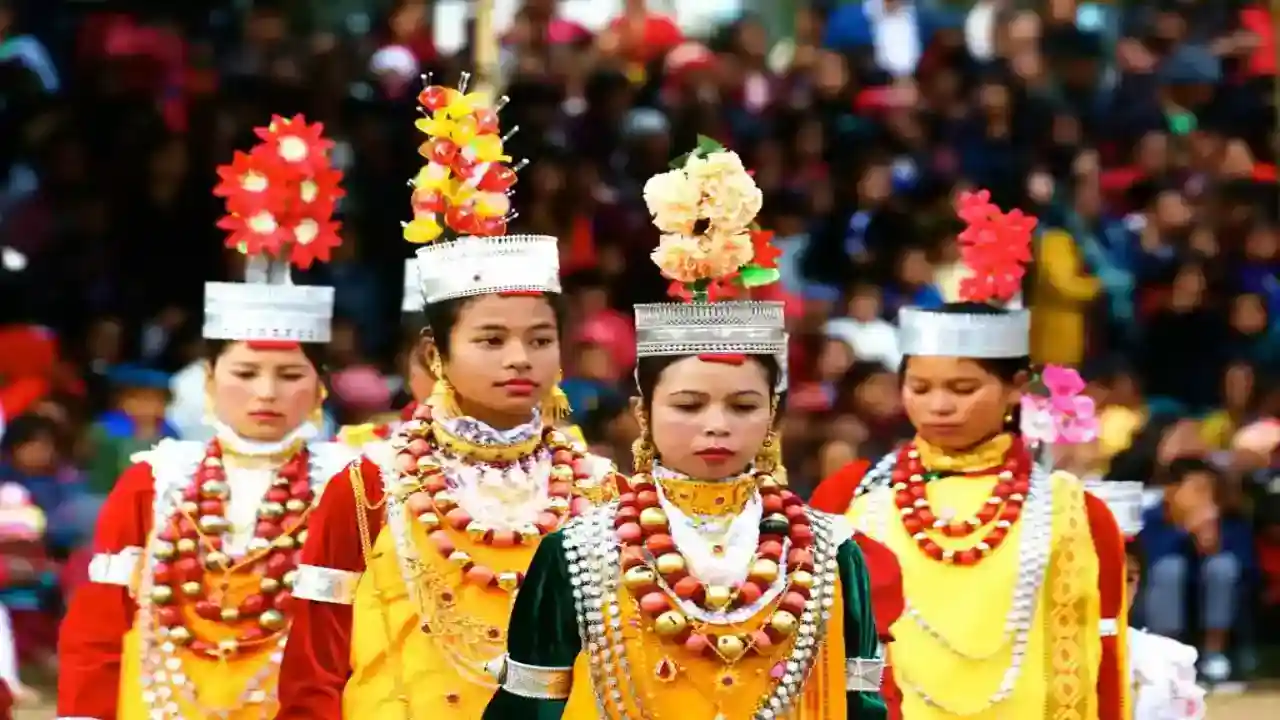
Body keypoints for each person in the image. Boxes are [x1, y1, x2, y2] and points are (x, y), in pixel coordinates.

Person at [483, 142, 890, 718]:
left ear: (773, 416)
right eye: (689, 405)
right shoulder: (576, 553)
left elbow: (863, 706)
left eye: (743, 406)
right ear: (642, 412)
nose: (716, 426)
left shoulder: (830, 552)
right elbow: (528, 710)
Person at [274, 82, 620, 719]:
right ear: (435, 354)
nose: (520, 358)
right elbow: (313, 669)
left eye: (539, 339)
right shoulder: (368, 485)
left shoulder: (601, 490)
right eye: (490, 339)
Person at [57, 115, 359, 719]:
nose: (266, 393)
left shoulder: (352, 485)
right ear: (208, 381)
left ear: (321, 387)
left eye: (290, 375)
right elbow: (98, 626)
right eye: (244, 374)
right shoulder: (154, 479)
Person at [809, 190, 1129, 719]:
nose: (938, 406)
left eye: (962, 388)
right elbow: (834, 645)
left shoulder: (1074, 511)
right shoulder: (853, 495)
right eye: (920, 386)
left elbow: (1104, 658)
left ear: (1015, 387)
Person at [1137, 458, 1253, 684]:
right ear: (1171, 491)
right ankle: (1167, 657)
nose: (1205, 498)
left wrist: (1213, 542)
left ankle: (1215, 656)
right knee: (1169, 569)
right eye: (1197, 490)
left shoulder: (1229, 518)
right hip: (1157, 599)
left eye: (1210, 490)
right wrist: (1185, 532)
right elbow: (1145, 561)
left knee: (1223, 566)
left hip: (1212, 600)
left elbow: (1247, 566)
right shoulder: (1150, 517)